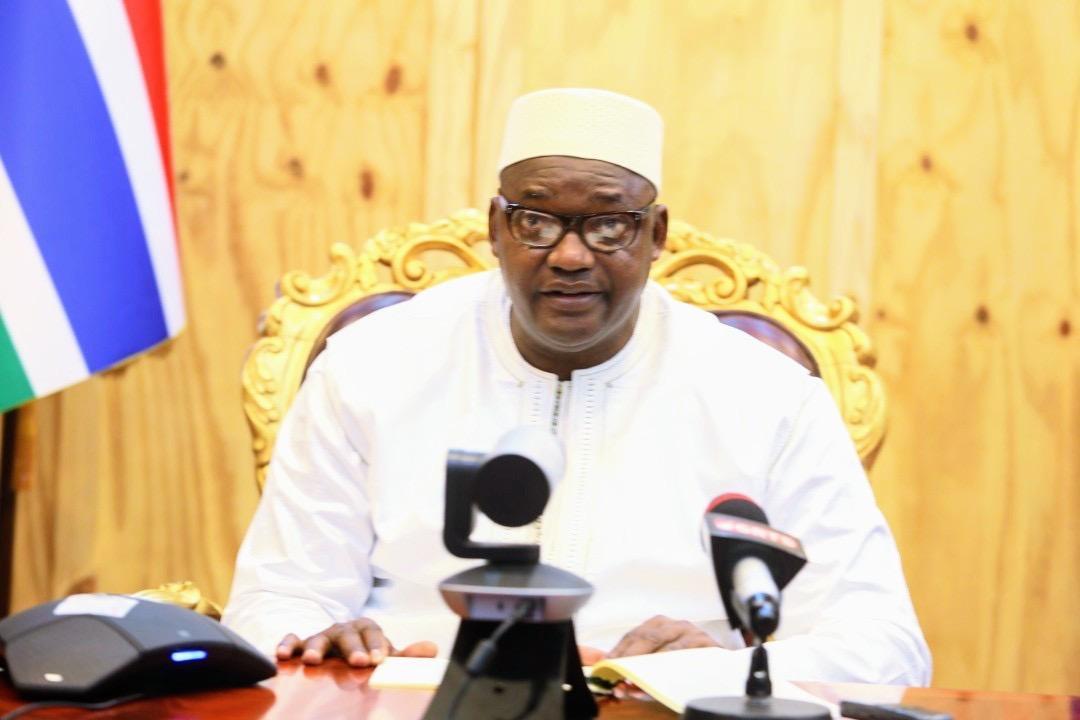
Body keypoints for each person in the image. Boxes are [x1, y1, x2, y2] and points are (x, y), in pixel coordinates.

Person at [222, 88, 931, 685]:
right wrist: (318, 642)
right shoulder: (371, 363)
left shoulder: (765, 395)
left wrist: (714, 669)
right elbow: (274, 598)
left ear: (656, 235)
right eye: (536, 220)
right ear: (495, 228)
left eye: (608, 225)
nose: (568, 255)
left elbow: (886, 646)